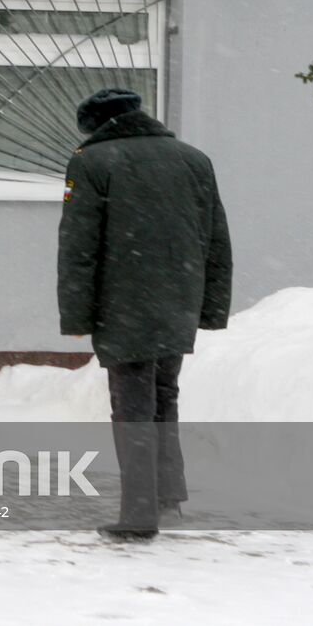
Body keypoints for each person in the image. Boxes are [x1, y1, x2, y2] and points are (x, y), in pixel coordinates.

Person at [57, 87, 232, 543]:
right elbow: (216, 238)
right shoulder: (194, 159)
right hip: (179, 298)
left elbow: (79, 246)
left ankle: (138, 515)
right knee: (164, 396)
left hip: (123, 302)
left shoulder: (91, 162)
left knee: (132, 408)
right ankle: (167, 497)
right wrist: (209, 307)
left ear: (96, 125)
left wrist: (78, 315)